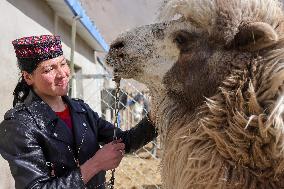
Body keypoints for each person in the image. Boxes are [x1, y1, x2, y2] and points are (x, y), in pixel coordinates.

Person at [0, 35, 157, 189]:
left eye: (63, 64)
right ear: (28, 77)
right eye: (49, 69)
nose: (62, 74)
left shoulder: (81, 110)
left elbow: (125, 142)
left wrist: (157, 115)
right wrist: (95, 164)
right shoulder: (19, 126)